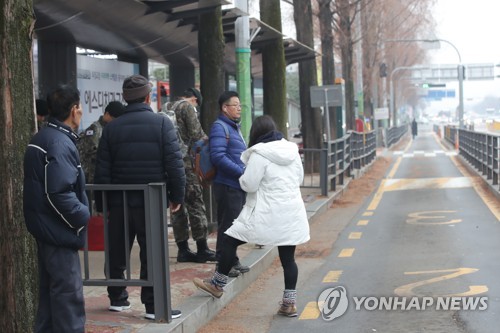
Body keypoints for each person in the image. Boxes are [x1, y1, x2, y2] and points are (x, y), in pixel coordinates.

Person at [193, 115, 310, 317]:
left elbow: (248, 184)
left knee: (229, 241)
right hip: (292, 212)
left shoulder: (259, 154)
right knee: (288, 259)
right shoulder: (292, 150)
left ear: (255, 133)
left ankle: (217, 284)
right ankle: (289, 304)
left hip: (265, 211)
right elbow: (299, 178)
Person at [94, 74, 186, 320]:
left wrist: (102, 204)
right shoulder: (162, 124)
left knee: (116, 250)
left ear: (125, 99)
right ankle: (153, 305)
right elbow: (174, 164)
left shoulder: (111, 128)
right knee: (152, 252)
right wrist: (177, 195)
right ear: (148, 97)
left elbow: (102, 169)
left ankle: (117, 298)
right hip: (151, 201)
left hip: (119, 200)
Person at [23, 85, 90, 332]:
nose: (81, 111)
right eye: (80, 106)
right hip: (58, 230)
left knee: (51, 302)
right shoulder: (59, 143)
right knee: (67, 298)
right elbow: (58, 193)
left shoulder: (44, 137)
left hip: (46, 228)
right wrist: (83, 216)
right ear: (74, 110)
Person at [165, 88, 216, 263]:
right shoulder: (187, 107)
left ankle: (183, 249)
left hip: (171, 165)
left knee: (177, 206)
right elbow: (197, 135)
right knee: (195, 204)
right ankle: (202, 248)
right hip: (187, 164)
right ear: (194, 99)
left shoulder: (166, 107)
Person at [209, 90, 249, 277]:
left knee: (234, 223)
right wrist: (241, 171)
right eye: (235, 105)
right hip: (227, 184)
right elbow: (217, 156)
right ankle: (222, 263)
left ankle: (232, 259)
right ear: (225, 108)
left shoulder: (233, 127)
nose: (239, 108)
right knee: (227, 225)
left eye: (240, 105)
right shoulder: (219, 127)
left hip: (236, 184)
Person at [78, 100, 125, 183]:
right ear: (107, 114)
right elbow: (93, 150)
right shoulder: (95, 128)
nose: (116, 122)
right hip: (92, 175)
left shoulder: (111, 128)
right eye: (114, 119)